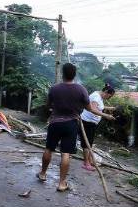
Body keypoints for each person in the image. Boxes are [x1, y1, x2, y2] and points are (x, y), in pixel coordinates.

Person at [37, 63, 101, 192]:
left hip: (55, 122)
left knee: (49, 149)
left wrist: (56, 108)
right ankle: (61, 183)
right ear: (74, 74)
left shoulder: (54, 88)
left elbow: (48, 105)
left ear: (62, 74)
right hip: (71, 124)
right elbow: (89, 108)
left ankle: (43, 174)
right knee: (66, 153)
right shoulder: (81, 89)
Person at [80, 84, 117, 171]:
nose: (109, 98)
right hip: (87, 122)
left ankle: (89, 160)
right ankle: (86, 163)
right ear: (106, 92)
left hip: (91, 123)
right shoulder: (96, 97)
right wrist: (106, 115)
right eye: (109, 96)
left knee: (89, 143)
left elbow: (98, 107)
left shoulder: (98, 95)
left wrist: (109, 108)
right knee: (87, 144)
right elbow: (93, 109)